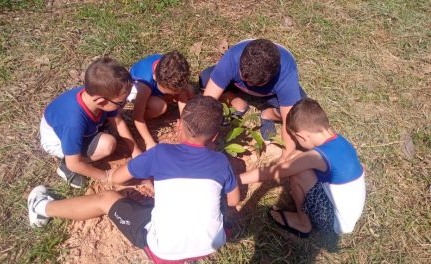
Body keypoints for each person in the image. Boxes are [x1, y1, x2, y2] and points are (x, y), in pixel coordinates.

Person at [28, 95, 240, 263]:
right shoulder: (221, 161)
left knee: (106, 199)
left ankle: (40, 207)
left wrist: (129, 175)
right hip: (214, 243)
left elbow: (118, 178)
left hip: (163, 251)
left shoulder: (160, 153)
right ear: (214, 137)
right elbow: (233, 201)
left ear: (178, 125)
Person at [240, 98, 366, 237]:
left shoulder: (317, 157)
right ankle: (306, 202)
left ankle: (302, 223)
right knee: (300, 160)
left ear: (301, 136)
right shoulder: (340, 141)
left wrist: (237, 179)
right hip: (349, 211)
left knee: (299, 171)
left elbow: (277, 171)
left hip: (334, 221)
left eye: (296, 138)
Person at [40, 57, 142, 188]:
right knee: (108, 144)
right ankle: (64, 166)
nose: (124, 104)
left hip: (77, 128)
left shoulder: (99, 94)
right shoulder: (74, 122)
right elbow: (74, 163)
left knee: (109, 130)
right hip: (57, 141)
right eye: (121, 102)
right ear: (101, 101)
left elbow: (118, 122)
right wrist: (105, 176)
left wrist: (134, 149)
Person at [200, 39, 306, 161]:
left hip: (269, 94)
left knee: (300, 113)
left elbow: (289, 119)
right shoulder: (232, 57)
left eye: (256, 83)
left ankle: (268, 114)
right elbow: (207, 102)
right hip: (235, 85)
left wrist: (286, 157)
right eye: (245, 79)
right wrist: (203, 137)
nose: (249, 85)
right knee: (205, 79)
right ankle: (237, 102)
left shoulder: (286, 73)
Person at [128, 51, 194, 150]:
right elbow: (137, 117)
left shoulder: (173, 69)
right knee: (159, 107)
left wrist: (184, 120)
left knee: (190, 91)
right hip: (137, 89)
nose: (175, 94)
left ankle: (165, 97)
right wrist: (149, 142)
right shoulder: (144, 84)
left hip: (157, 86)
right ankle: (148, 115)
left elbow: (183, 95)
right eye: (171, 92)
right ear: (155, 77)